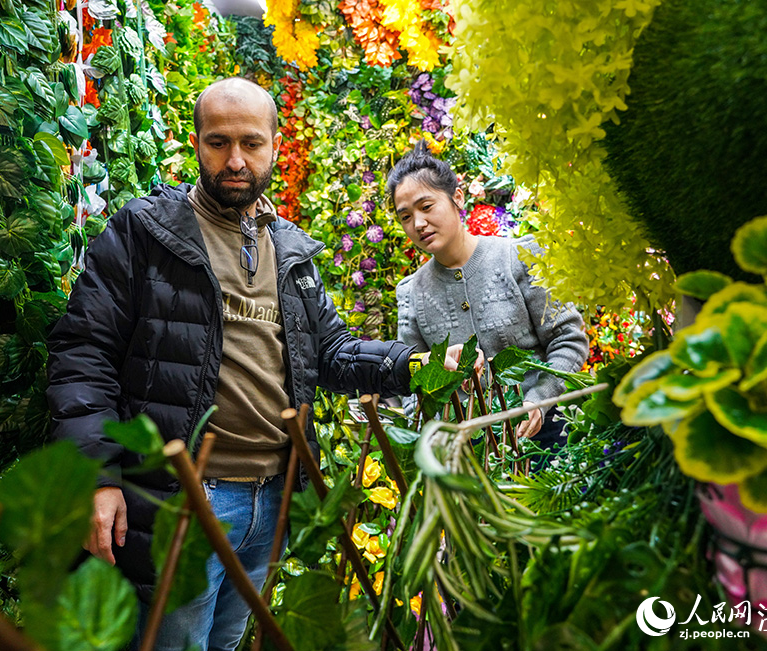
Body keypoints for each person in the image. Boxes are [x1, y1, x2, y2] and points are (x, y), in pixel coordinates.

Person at [46, 79, 475, 651]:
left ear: (275, 144)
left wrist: (414, 363)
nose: (235, 160)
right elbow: (82, 353)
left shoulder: (291, 250)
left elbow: (331, 352)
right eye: (218, 142)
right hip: (186, 498)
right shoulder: (146, 232)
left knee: (225, 643)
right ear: (195, 144)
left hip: (271, 496)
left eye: (251, 143)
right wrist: (98, 476)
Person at [390, 142, 588, 449]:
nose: (418, 224)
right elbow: (413, 379)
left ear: (457, 197)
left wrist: (538, 401)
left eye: (426, 207)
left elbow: (568, 339)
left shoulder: (519, 258)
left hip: (549, 438)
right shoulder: (411, 294)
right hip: (471, 456)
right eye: (405, 217)